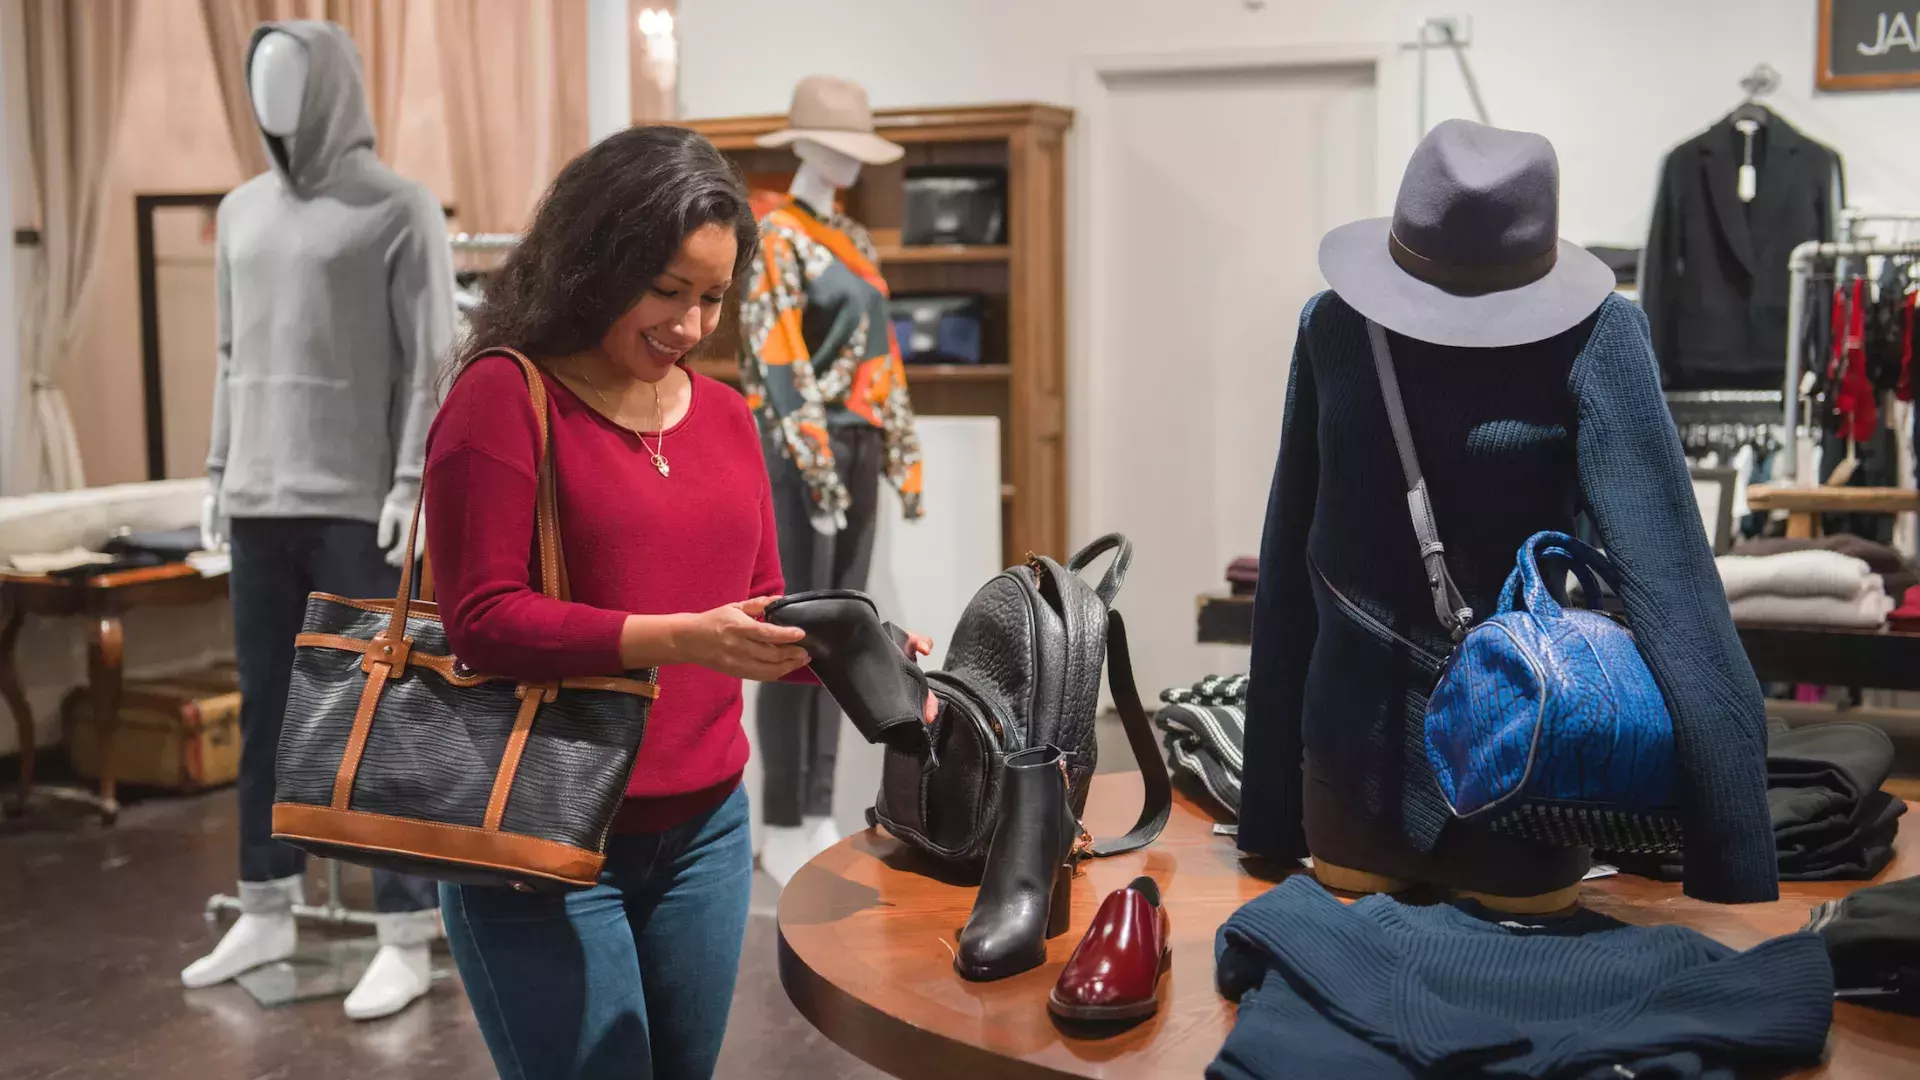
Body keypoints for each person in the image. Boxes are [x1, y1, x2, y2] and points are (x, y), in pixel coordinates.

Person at [423, 125, 932, 1080]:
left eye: (713, 297)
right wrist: (679, 641)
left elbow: (760, 609)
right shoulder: (504, 398)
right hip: (543, 830)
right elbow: (481, 621)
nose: (694, 326)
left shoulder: (729, 419)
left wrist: (875, 655)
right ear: (594, 264)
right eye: (667, 291)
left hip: (704, 833)